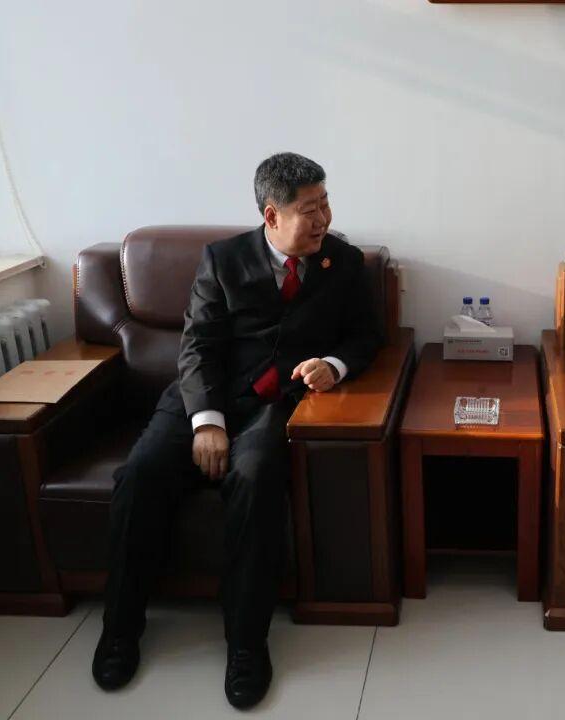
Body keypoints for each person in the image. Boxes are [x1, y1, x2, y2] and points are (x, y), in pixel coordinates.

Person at [91, 152, 382, 709]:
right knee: (139, 475)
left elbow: (366, 336)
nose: (323, 219)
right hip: (204, 398)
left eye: (326, 204)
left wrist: (334, 364)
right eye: (309, 210)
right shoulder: (223, 260)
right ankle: (120, 630)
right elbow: (198, 346)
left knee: (255, 479)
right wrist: (207, 423)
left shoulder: (342, 262)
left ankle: (247, 643)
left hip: (276, 404)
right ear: (272, 215)